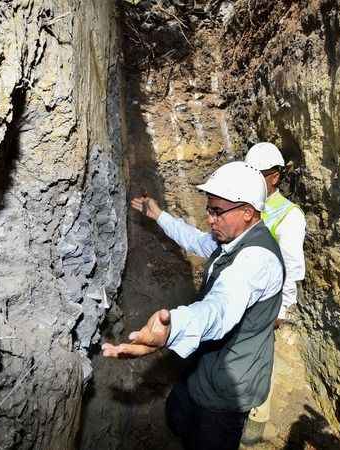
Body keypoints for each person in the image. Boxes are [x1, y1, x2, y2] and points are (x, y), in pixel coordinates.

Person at [102, 161, 285, 450]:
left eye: (217, 212)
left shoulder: (256, 261)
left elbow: (219, 308)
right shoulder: (233, 239)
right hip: (205, 364)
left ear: (248, 212)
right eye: (209, 209)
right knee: (178, 416)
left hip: (230, 386)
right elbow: (197, 241)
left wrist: (173, 326)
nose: (210, 219)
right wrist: (158, 215)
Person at [242, 142, 307, 442]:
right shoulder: (248, 205)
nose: (251, 179)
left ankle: (254, 428)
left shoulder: (290, 216)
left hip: (266, 306)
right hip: (242, 298)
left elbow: (293, 270)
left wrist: (281, 311)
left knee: (260, 363)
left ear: (275, 177)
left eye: (258, 174)